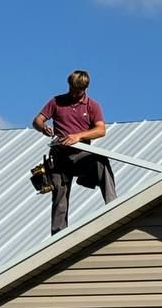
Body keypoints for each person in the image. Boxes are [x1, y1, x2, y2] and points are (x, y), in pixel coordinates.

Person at [33, 70, 117, 234]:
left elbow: (101, 130)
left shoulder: (92, 105)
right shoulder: (57, 101)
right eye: (70, 88)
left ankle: (114, 207)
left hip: (81, 155)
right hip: (59, 156)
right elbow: (37, 120)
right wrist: (43, 128)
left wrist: (78, 136)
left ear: (84, 89)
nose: (72, 93)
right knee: (59, 197)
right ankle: (58, 235)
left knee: (102, 162)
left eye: (76, 91)